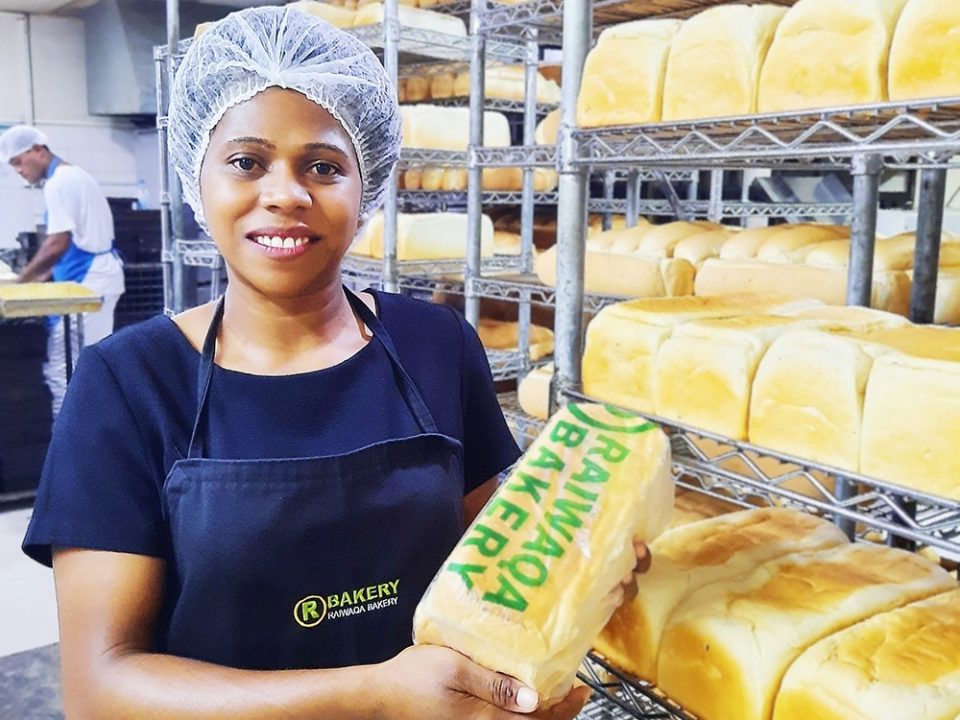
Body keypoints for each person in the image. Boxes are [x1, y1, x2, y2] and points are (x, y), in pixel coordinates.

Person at [22, 7, 649, 719]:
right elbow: (99, 688)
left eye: (322, 165)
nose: (286, 193)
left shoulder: (434, 344)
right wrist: (376, 697)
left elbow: (498, 569)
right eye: (247, 161)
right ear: (200, 177)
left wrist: (582, 572)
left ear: (367, 187)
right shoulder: (128, 383)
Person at [0, 125, 125, 417]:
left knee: (64, 369)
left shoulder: (60, 183)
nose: (18, 170)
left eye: (18, 161)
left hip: (88, 283)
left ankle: (70, 444)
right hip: (97, 277)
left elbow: (57, 243)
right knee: (92, 365)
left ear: (38, 151)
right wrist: (44, 276)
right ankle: (90, 435)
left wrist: (20, 282)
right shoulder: (76, 176)